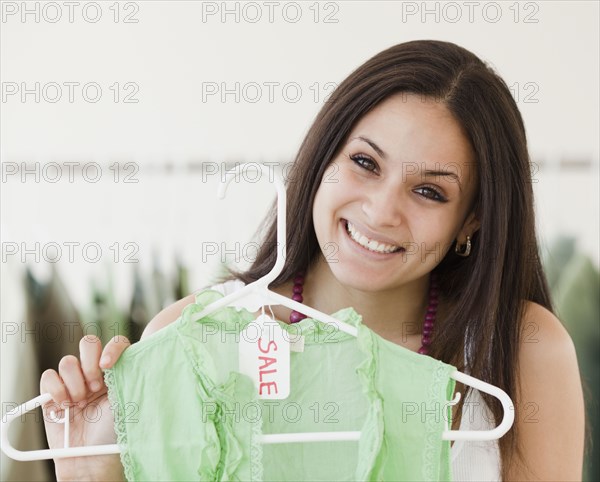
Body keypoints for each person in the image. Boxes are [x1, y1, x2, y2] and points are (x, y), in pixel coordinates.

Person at [40, 40, 585, 481]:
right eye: (365, 162)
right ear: (322, 160)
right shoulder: (189, 335)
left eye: (430, 192)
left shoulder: (521, 348)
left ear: (472, 220)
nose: (381, 211)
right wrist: (92, 475)